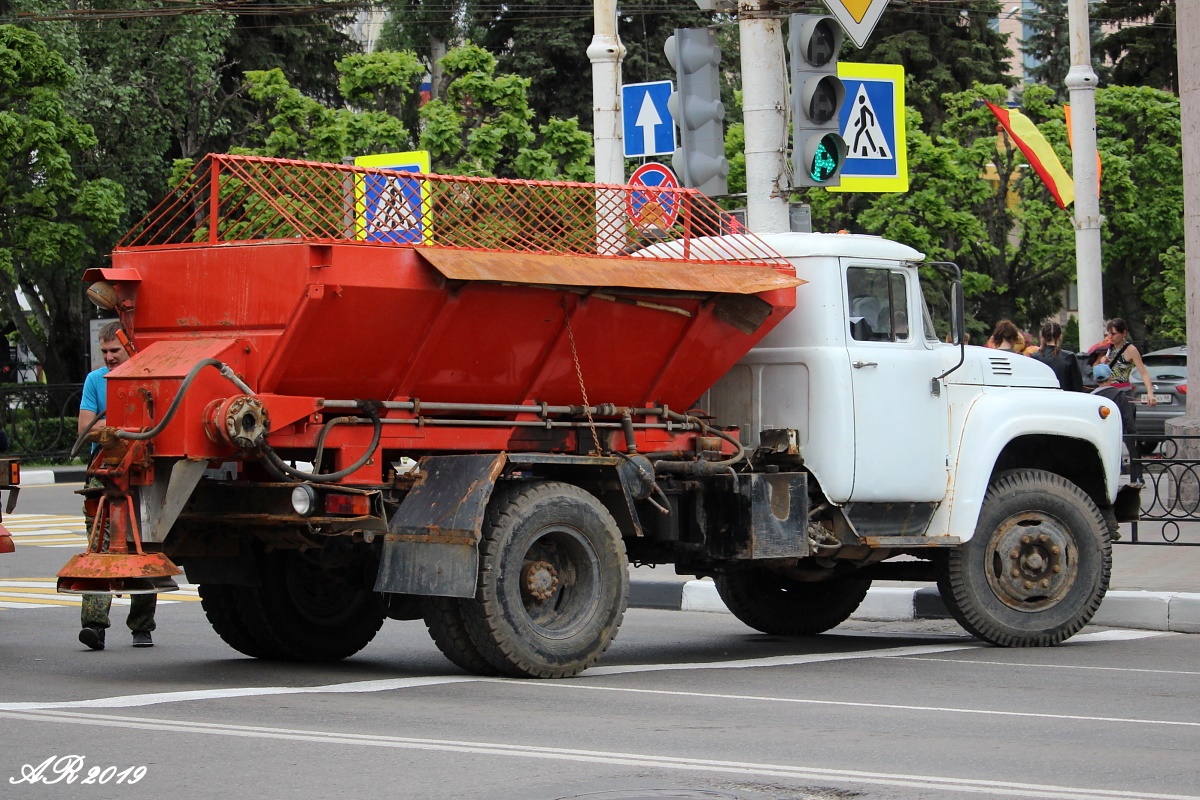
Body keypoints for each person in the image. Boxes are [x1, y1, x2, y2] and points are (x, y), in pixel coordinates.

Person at [77, 321, 156, 651]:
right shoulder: (95, 381)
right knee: (99, 544)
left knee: (144, 543)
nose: (109, 357)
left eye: (115, 351)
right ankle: (94, 626)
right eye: (105, 351)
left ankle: (142, 626)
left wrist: (113, 427)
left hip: (142, 470)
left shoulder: (148, 378)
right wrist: (123, 427)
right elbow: (86, 427)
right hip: (103, 470)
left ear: (129, 347)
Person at [1092, 362, 1142, 487]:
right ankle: (1135, 480)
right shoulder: (1118, 394)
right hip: (1116, 435)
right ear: (1110, 377)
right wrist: (1132, 434)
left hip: (1101, 435)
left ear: (1094, 380)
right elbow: (1127, 418)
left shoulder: (1092, 397)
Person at [1095, 318, 1156, 407]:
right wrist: (1101, 363)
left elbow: (1144, 373)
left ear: (1123, 333)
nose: (1110, 337)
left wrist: (1150, 393)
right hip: (1107, 391)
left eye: (1114, 334)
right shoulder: (1108, 348)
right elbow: (1096, 371)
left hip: (1122, 392)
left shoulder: (1131, 350)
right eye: (1109, 333)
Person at [1031, 321, 1083, 392]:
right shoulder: (1069, 357)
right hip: (1065, 399)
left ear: (1042, 337)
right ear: (1060, 337)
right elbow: (1078, 387)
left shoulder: (1035, 357)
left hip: (1042, 399)